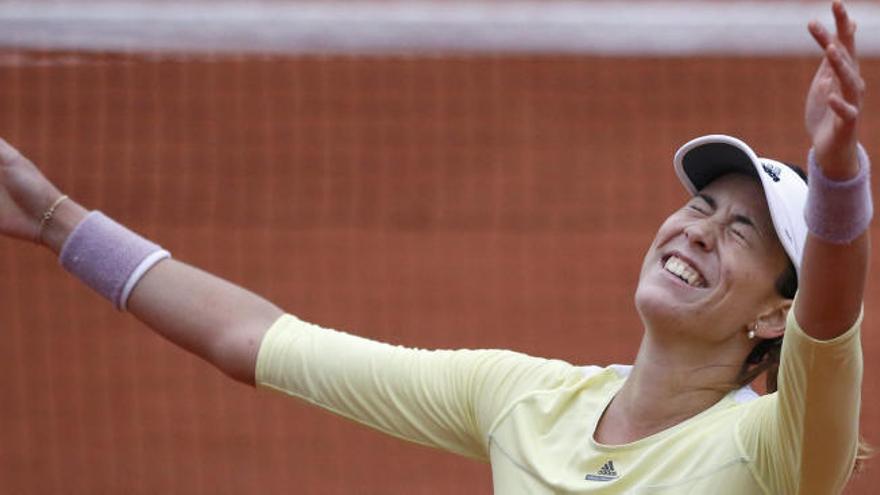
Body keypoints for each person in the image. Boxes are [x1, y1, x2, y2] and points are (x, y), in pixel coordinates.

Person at [0, 1, 870, 493]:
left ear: (774, 309)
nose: (696, 230)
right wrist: (55, 221)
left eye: (741, 229)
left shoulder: (778, 449)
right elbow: (256, 343)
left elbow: (829, 322)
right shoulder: (523, 401)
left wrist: (835, 175)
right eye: (699, 204)